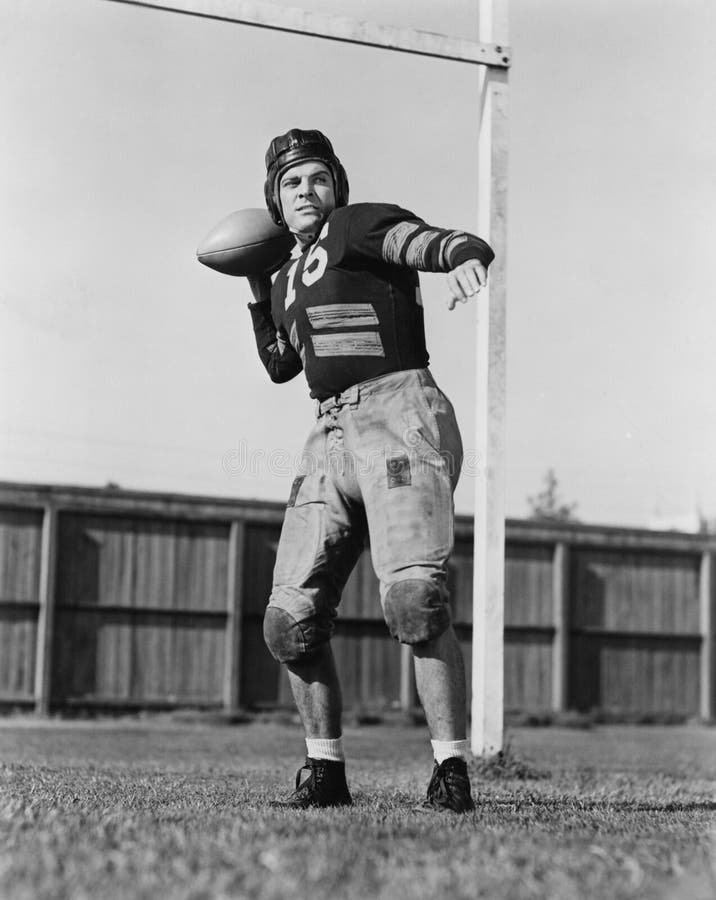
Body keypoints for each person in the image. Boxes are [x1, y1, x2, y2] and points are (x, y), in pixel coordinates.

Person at [245, 128, 494, 812]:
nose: (307, 190)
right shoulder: (287, 279)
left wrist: (464, 256)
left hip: (397, 413)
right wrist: (252, 279)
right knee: (287, 621)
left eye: (318, 177)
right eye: (292, 182)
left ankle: (451, 769)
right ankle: (324, 773)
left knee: (415, 600)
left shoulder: (355, 226)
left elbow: (420, 241)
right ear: (274, 199)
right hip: (328, 430)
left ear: (337, 187)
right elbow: (281, 364)